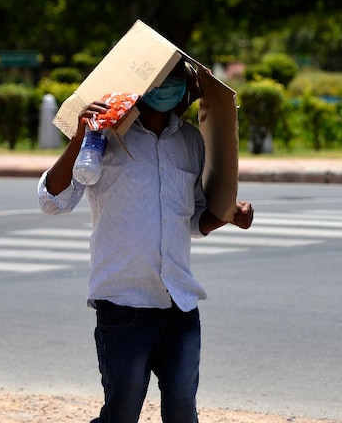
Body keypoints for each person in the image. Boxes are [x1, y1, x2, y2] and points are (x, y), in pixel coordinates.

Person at [37, 60, 254, 423]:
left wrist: (230, 216)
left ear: (186, 88)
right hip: (124, 303)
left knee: (183, 409)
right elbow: (51, 201)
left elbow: (193, 220)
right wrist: (78, 139)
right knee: (122, 411)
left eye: (175, 80)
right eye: (159, 80)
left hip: (180, 303)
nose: (167, 87)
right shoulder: (103, 137)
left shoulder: (189, 142)